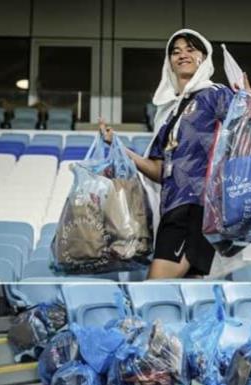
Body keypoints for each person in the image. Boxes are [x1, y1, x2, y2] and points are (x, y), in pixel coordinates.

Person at [100, 29, 242, 279]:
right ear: (169, 62)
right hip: (173, 206)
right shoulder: (168, 114)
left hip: (197, 206)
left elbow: (247, 133)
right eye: (175, 52)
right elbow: (159, 171)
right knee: (185, 289)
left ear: (203, 57)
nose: (182, 55)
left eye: (190, 49)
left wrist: (248, 104)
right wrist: (118, 146)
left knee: (155, 285)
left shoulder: (216, 94)